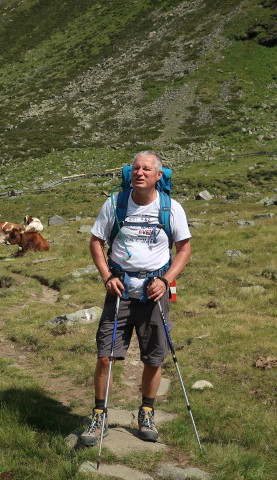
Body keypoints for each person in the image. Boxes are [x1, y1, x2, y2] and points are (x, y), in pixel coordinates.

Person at [80, 151, 192, 446]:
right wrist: (107, 276)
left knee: (154, 357)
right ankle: (99, 415)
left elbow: (184, 249)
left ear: (158, 175)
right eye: (136, 168)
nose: (140, 173)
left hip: (154, 292)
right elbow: (96, 241)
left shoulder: (170, 208)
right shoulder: (115, 204)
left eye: (147, 169)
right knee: (106, 356)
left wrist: (166, 281)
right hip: (119, 290)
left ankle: (146, 412)